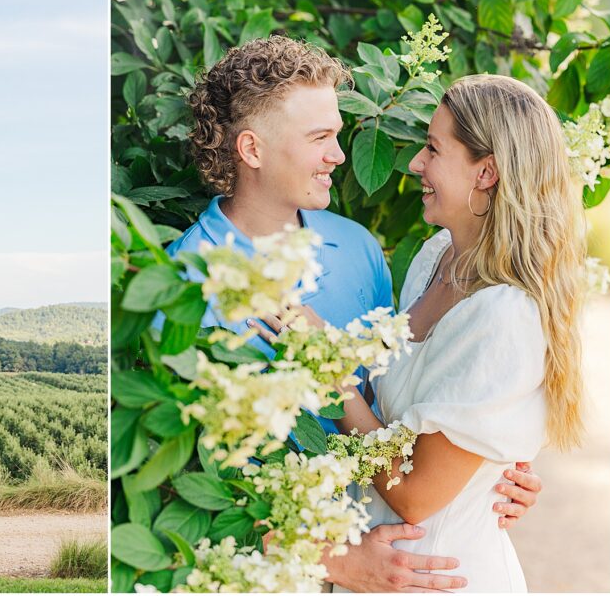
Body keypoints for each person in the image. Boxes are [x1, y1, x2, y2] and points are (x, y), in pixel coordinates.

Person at [168, 37, 543, 591]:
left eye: (338, 137)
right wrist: (334, 560)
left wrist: (489, 467)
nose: (340, 157)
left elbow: (408, 398)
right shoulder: (182, 284)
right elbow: (174, 490)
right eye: (320, 138)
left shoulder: (359, 248)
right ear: (252, 149)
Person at [332, 75, 584, 592]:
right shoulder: (435, 257)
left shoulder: (506, 315)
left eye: (432, 148)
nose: (415, 164)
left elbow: (415, 495)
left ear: (486, 171)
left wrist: (330, 379)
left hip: (441, 577)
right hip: (380, 570)